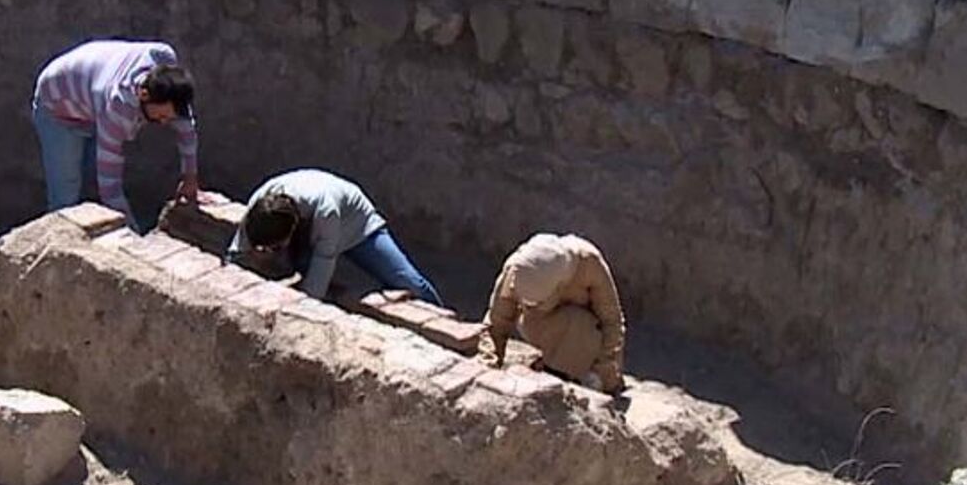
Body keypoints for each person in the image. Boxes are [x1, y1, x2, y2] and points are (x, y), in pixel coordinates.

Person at [32, 39, 199, 229]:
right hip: (58, 104)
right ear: (143, 95)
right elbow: (110, 187)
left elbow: (185, 126)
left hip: (90, 93)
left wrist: (190, 178)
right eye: (161, 116)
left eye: (169, 117)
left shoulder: (164, 62)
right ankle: (58, 245)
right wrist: (134, 239)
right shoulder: (117, 109)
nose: (164, 122)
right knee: (66, 198)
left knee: (90, 185)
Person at [226, 169, 444, 306]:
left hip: (358, 225)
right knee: (301, 269)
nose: (270, 252)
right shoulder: (261, 204)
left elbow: (321, 269)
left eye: (275, 247)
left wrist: (304, 310)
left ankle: (445, 322)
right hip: (309, 229)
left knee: (407, 281)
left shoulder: (325, 210)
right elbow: (238, 249)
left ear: (290, 232)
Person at [484, 233, 626, 394]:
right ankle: (555, 367)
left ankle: (576, 372)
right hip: (544, 326)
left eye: (538, 301)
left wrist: (601, 370)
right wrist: (488, 364)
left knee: (579, 324)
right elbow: (496, 324)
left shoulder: (588, 264)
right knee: (533, 319)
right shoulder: (517, 271)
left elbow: (612, 322)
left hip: (589, 335)